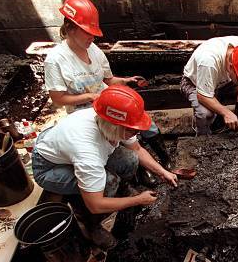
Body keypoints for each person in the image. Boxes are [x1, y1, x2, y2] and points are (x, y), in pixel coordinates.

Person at [32, 85, 178, 249]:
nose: (135, 133)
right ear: (115, 127)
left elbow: (136, 149)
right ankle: (91, 226)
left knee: (130, 159)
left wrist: (163, 172)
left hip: (63, 147)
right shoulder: (87, 151)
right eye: (131, 130)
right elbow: (96, 204)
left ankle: (122, 189)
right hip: (49, 168)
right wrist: (137, 200)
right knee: (109, 181)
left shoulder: (109, 120)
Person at [45, 0, 171, 180]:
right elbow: (58, 99)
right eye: (87, 32)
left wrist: (126, 80)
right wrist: (90, 98)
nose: (92, 37)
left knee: (146, 124)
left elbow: (109, 80)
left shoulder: (94, 50)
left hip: (109, 101)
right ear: (70, 27)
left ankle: (164, 158)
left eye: (93, 32)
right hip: (85, 111)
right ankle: (138, 169)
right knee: (123, 138)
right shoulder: (56, 60)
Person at [180, 36, 238, 136]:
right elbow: (202, 96)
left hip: (222, 82)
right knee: (204, 114)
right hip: (195, 84)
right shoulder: (208, 61)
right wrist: (226, 113)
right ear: (230, 67)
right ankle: (203, 137)